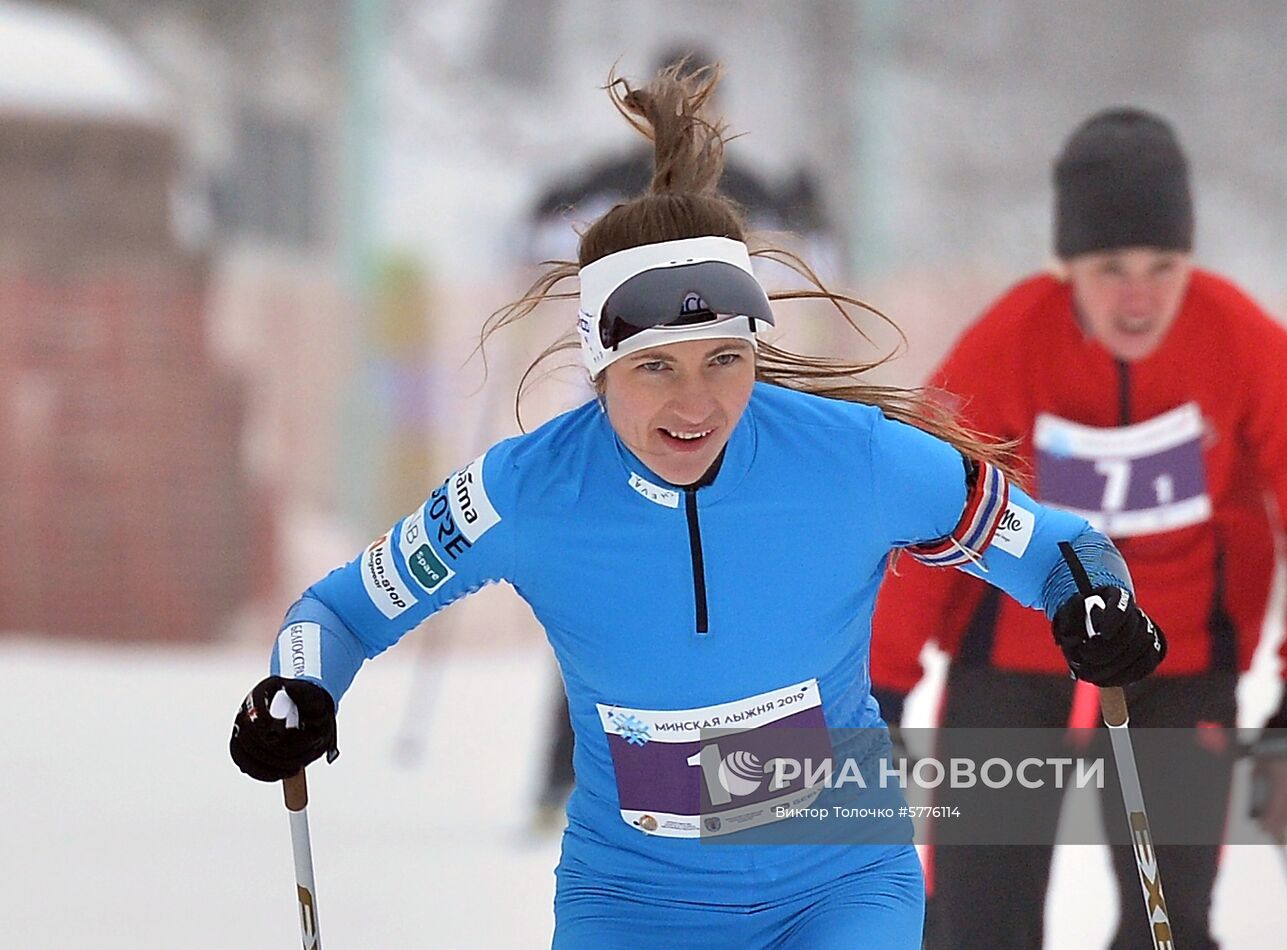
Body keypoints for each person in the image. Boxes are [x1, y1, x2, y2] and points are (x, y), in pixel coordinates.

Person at [229, 67, 1167, 949]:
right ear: (599, 369)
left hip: (840, 887)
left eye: (725, 359)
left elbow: (1056, 549)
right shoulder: (525, 492)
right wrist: (300, 687)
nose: (696, 404)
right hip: (633, 902)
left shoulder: (858, 461)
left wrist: (1095, 601)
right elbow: (340, 611)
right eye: (654, 369)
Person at [870, 108, 1287, 949]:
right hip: (1015, 657)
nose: (1139, 296)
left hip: (1180, 660)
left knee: (1168, 925)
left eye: (1163, 266)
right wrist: (879, 692)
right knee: (973, 922)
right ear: (1068, 266)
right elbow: (923, 510)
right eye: (1111, 268)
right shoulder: (1011, 343)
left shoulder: (1240, 345)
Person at [520, 45, 839, 828]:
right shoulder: (614, 178)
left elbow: (816, 265)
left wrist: (811, 215)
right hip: (614, 417)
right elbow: (534, 252)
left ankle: (723, 779)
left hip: (713, 419)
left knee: (695, 593)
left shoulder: (744, 185)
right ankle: (575, 777)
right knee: (612, 593)